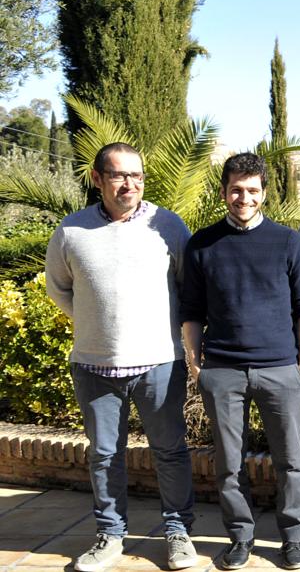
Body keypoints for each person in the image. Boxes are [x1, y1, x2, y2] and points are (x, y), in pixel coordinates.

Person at [45, 143, 197, 572]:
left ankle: (178, 532)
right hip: (94, 365)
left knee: (169, 451)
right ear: (98, 179)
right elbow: (59, 287)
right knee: (104, 454)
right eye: (118, 175)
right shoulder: (71, 231)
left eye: (137, 175)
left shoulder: (169, 226)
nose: (129, 184)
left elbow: (188, 287)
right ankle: (110, 535)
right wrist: (98, 322)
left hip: (158, 362)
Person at [180, 153, 300, 570]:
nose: (244, 197)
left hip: (281, 369)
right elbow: (191, 309)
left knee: (291, 462)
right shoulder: (201, 244)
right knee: (228, 464)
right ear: (224, 192)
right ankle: (240, 537)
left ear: (264, 193)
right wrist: (195, 364)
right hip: (221, 371)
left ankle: (292, 540)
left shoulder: (288, 241)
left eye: (252, 190)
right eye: (236, 189)